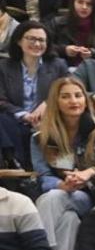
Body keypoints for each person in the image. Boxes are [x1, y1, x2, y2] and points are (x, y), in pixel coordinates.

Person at [31, 75, 95, 250]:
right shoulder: (41, 136)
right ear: (55, 101)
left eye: (78, 95)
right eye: (65, 96)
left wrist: (90, 172)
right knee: (68, 220)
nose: (73, 101)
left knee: (51, 199)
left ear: (85, 99)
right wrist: (61, 185)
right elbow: (43, 174)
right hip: (65, 192)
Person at [0, 21, 70, 168]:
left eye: (41, 40)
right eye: (31, 39)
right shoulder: (4, 67)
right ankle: (15, 163)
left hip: (47, 120)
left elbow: (71, 90)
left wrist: (48, 103)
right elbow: (1, 100)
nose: (36, 44)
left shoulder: (58, 65)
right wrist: (23, 114)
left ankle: (61, 170)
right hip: (14, 121)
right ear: (19, 40)